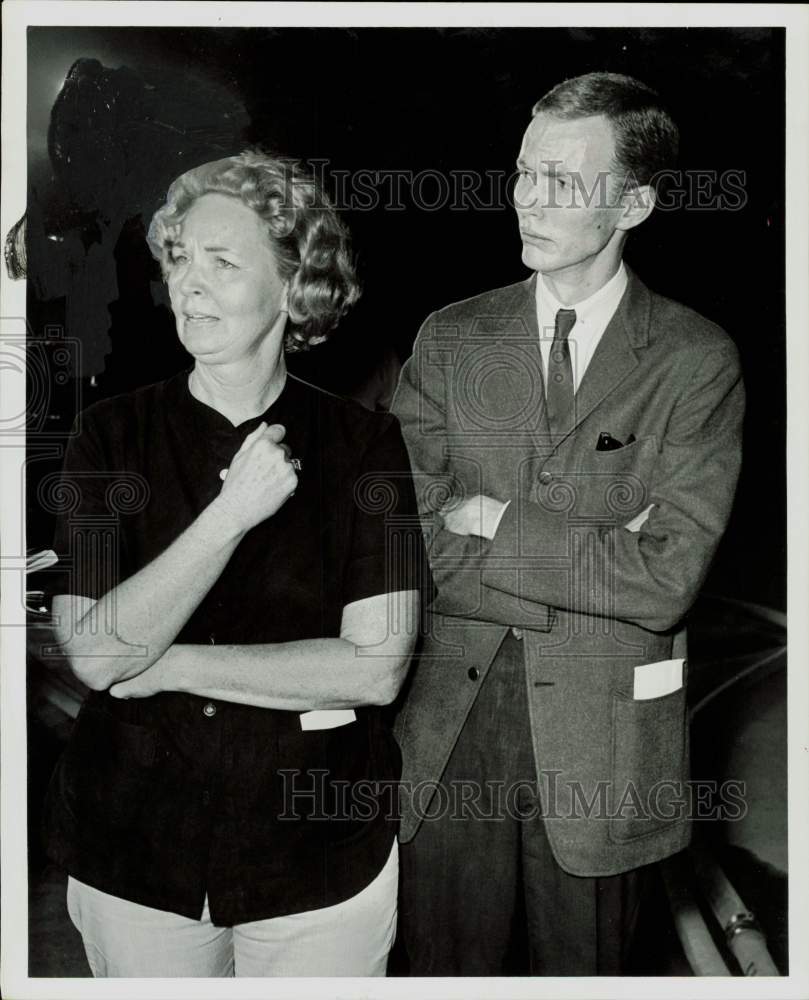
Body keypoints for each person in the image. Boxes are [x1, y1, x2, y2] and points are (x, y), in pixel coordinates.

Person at [390, 72, 745, 975]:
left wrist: (498, 522)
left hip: (605, 748)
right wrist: (595, 567)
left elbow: (666, 578)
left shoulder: (693, 360)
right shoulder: (450, 337)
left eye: (562, 181)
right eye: (520, 172)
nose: (525, 201)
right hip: (449, 733)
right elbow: (406, 534)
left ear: (633, 202)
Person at [43, 150, 423, 977]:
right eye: (180, 259)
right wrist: (229, 515)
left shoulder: (365, 447)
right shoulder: (108, 437)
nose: (189, 283)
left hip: (318, 862)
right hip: (134, 855)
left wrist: (166, 665)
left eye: (222, 260)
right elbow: (98, 654)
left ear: (295, 287)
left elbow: (375, 669)